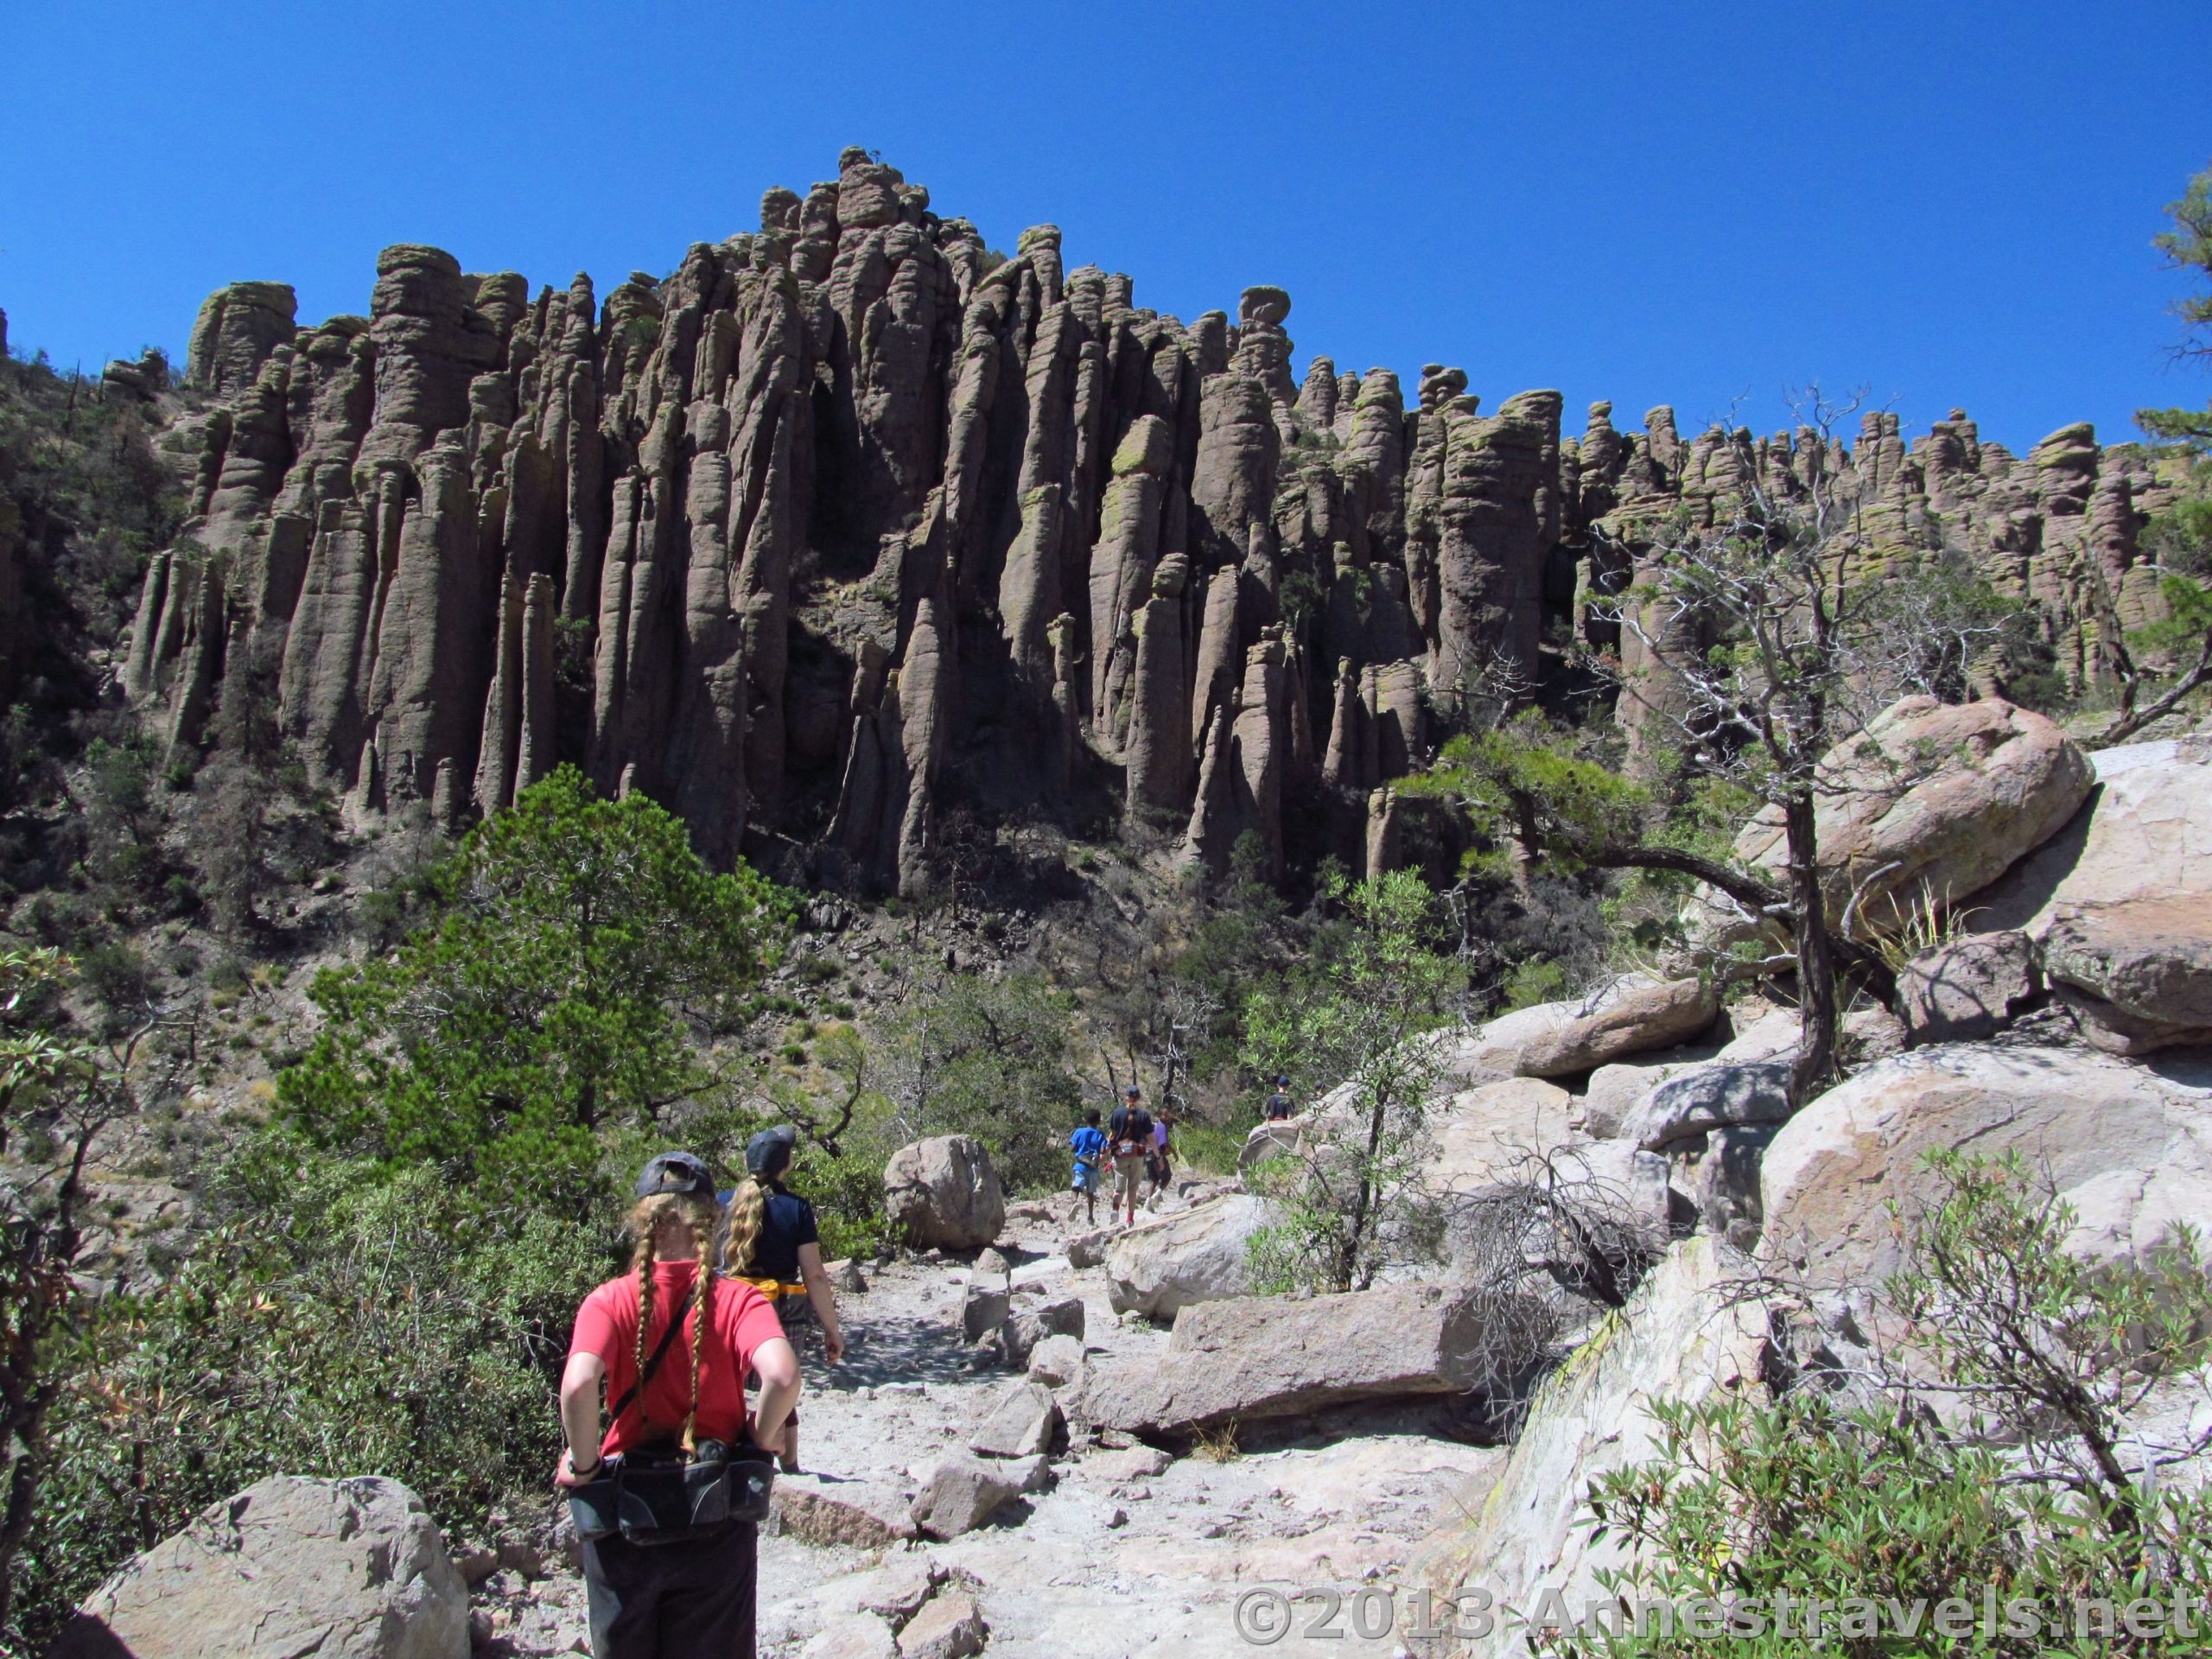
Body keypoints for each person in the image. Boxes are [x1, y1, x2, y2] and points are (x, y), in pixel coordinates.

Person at [556, 1152, 799, 1659]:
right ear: (711, 1220)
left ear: (643, 1223)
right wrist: (759, 1437)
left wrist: (584, 1465)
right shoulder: (739, 1301)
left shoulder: (608, 1301)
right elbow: (781, 1375)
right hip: (715, 1515)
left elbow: (579, 1385)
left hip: (625, 1518)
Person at [727, 1125, 845, 1475]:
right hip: (780, 1310)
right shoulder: (796, 1209)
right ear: (786, 1164)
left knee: (729, 1382)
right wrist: (832, 1328)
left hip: (729, 1308)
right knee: (782, 1385)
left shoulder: (721, 1203)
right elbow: (814, 1276)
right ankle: (789, 1463)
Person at [1106, 1084, 1153, 1229]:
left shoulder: (1117, 1113)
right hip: (1137, 1155)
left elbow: (1113, 1135)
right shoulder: (1144, 1115)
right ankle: (1130, 1219)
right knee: (1132, 1188)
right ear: (1138, 1098)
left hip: (1120, 1154)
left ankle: (1115, 1209)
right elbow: (1150, 1137)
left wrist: (1106, 1151)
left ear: (1126, 1097)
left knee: (1119, 1188)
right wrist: (1156, 1152)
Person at [1068, 1108, 1108, 1224]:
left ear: (1086, 1120)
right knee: (1090, 1193)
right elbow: (1103, 1150)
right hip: (1093, 1168)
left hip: (1081, 1165)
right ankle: (1090, 1217)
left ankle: (1075, 1202)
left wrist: (1075, 1145)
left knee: (1076, 1186)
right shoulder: (1100, 1134)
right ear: (1099, 1121)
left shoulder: (1079, 1132)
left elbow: (1072, 1148)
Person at [1147, 1105, 1175, 1208]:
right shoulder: (1162, 1127)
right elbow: (1165, 1144)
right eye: (1165, 1115)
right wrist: (1174, 1153)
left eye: (1169, 1115)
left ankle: (1147, 1201)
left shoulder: (1152, 1125)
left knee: (1154, 1179)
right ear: (1160, 1115)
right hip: (1157, 1156)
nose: (1168, 1118)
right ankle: (1157, 1195)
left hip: (1148, 1155)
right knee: (1167, 1177)